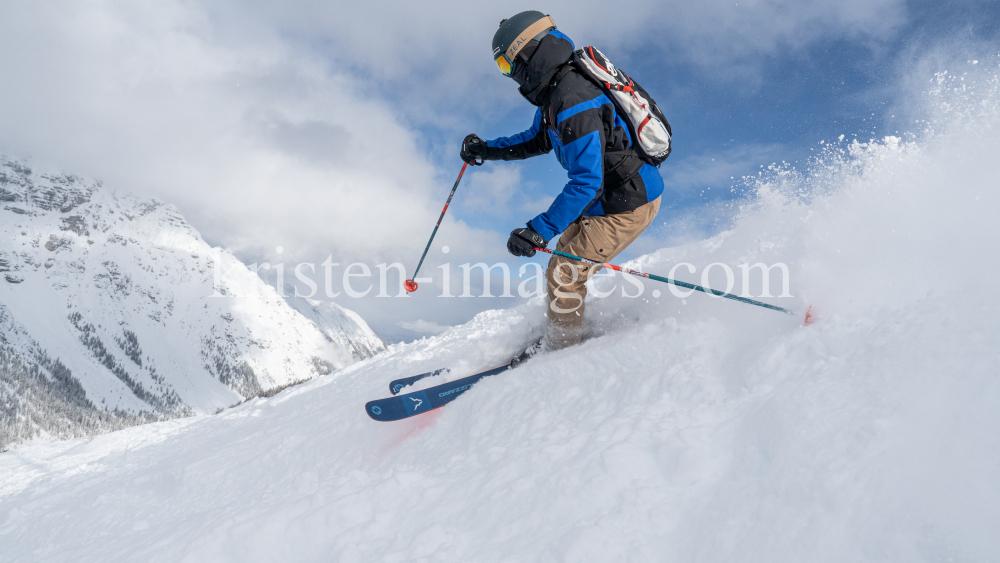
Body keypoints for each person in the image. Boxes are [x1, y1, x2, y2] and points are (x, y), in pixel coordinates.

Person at [460, 11, 664, 356]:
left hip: (628, 203)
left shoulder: (573, 99)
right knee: (561, 267)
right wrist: (487, 150)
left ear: (527, 54)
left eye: (507, 66)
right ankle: (563, 333)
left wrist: (538, 229)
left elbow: (586, 181)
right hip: (607, 198)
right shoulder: (558, 90)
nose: (510, 76)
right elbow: (537, 139)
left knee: (564, 272)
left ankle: (561, 354)